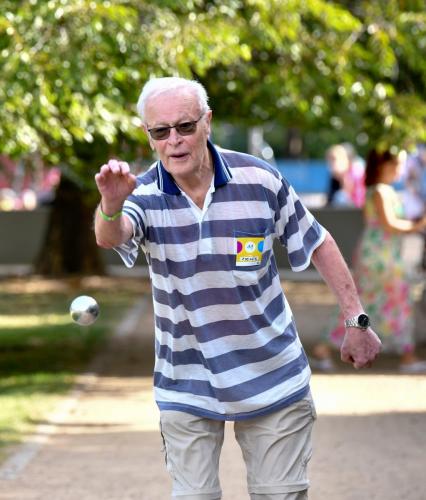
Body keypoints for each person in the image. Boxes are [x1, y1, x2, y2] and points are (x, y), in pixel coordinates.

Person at [94, 77, 381, 500]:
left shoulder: (259, 178)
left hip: (273, 375)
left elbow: (317, 241)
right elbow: (111, 235)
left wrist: (356, 320)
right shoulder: (144, 193)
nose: (174, 140)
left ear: (207, 122)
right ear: (149, 135)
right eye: (160, 131)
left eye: (185, 126)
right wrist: (111, 204)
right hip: (185, 380)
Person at [313, 148, 426, 374]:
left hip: (380, 255)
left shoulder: (380, 191)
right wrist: (418, 225)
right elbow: (389, 224)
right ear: (384, 166)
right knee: (397, 300)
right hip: (382, 257)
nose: (400, 170)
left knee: (368, 302)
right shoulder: (380, 192)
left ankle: (323, 349)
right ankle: (407, 355)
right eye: (397, 165)